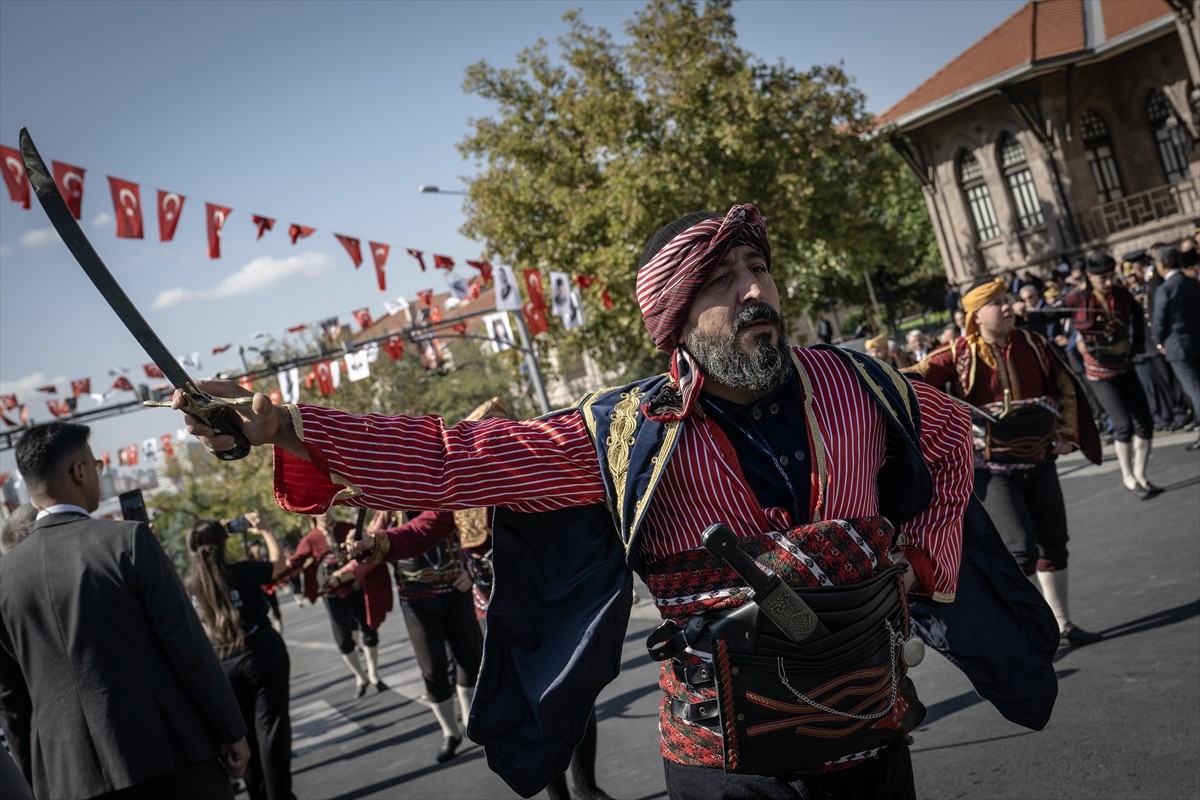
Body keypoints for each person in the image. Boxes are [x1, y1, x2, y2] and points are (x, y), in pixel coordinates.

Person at [177, 204, 1047, 800]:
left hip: (872, 740)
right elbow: (460, 458)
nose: (754, 290)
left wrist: (920, 568)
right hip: (726, 764)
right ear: (673, 317)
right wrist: (287, 425)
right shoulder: (626, 432)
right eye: (721, 279)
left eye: (758, 268)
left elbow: (943, 443)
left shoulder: (860, 385)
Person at [0, 422, 248, 800]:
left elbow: (11, 698)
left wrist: (41, 778)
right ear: (78, 472)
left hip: (68, 779)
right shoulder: (126, 541)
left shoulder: (4, 578)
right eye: (95, 467)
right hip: (167, 757)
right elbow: (187, 647)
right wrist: (229, 729)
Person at [913, 279, 1104, 648]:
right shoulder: (958, 353)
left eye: (1007, 300)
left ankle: (1062, 625)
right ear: (976, 315)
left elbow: (1064, 383)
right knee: (1020, 551)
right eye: (997, 303)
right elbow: (911, 381)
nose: (1007, 307)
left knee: (1054, 543)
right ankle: (1034, 633)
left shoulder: (1034, 344)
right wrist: (950, 428)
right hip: (993, 470)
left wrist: (1066, 431)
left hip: (1041, 459)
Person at [186, 513, 295, 800]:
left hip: (223, 666)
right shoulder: (241, 571)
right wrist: (266, 530)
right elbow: (279, 565)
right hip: (261, 654)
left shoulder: (191, 587)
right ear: (223, 542)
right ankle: (280, 796)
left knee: (242, 738)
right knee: (272, 732)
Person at [1065, 256, 1162, 498]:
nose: (1108, 281)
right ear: (1090, 277)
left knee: (1145, 422)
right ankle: (1128, 477)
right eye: (1102, 277)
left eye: (1110, 276)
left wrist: (1136, 346)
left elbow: (1138, 316)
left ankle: (1140, 475)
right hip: (1100, 373)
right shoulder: (1078, 298)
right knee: (1123, 424)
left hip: (1125, 364)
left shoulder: (1121, 293)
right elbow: (1052, 313)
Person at [277, 509, 390, 698]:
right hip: (333, 595)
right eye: (319, 510)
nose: (324, 513)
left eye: (326, 507)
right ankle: (360, 677)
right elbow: (295, 563)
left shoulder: (348, 528)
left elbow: (369, 551)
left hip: (356, 588)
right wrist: (274, 575)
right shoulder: (311, 539)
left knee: (370, 631)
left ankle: (374, 675)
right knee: (344, 640)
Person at [1151, 244, 1200, 451]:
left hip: (1178, 347)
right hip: (1197, 341)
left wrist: (1159, 342)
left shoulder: (1165, 289)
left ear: (1162, 265)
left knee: (1195, 391)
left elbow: (1159, 320)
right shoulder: (1192, 282)